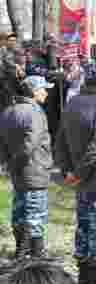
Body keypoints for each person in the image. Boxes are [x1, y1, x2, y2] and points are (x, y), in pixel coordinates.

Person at [53, 63, 96, 284]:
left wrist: (67, 171)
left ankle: (84, 275)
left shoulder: (72, 103)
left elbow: (60, 140)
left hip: (80, 181)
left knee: (84, 226)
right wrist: (78, 172)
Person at [0, 76, 54, 261]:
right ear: (34, 91)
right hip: (34, 169)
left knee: (20, 211)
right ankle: (33, 254)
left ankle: (22, 249)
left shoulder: (8, 111)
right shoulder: (36, 112)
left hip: (16, 171)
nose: (46, 93)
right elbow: (31, 143)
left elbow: (3, 143)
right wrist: (18, 159)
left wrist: (9, 162)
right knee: (35, 212)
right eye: (43, 89)